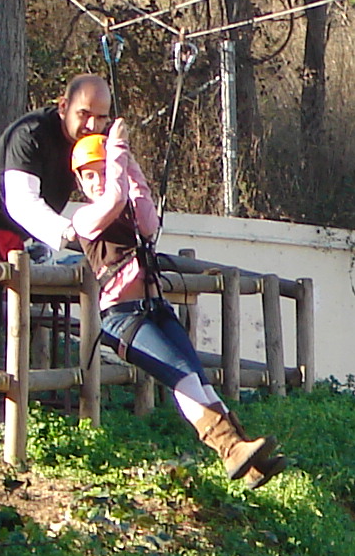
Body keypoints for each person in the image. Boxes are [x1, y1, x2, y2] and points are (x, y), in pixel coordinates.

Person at [68, 130, 282, 487]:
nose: (97, 181)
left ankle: (247, 458)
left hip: (154, 309)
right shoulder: (86, 219)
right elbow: (116, 197)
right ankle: (231, 450)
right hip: (124, 319)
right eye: (89, 175)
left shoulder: (125, 210)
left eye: (101, 171)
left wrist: (130, 164)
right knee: (183, 377)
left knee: (199, 380)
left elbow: (146, 217)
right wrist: (117, 147)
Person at [0, 75, 112, 440]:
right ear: (63, 107)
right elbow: (22, 202)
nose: (92, 125)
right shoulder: (30, 133)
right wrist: (67, 234)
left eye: (102, 117)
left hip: (8, 235)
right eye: (84, 114)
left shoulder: (96, 142)